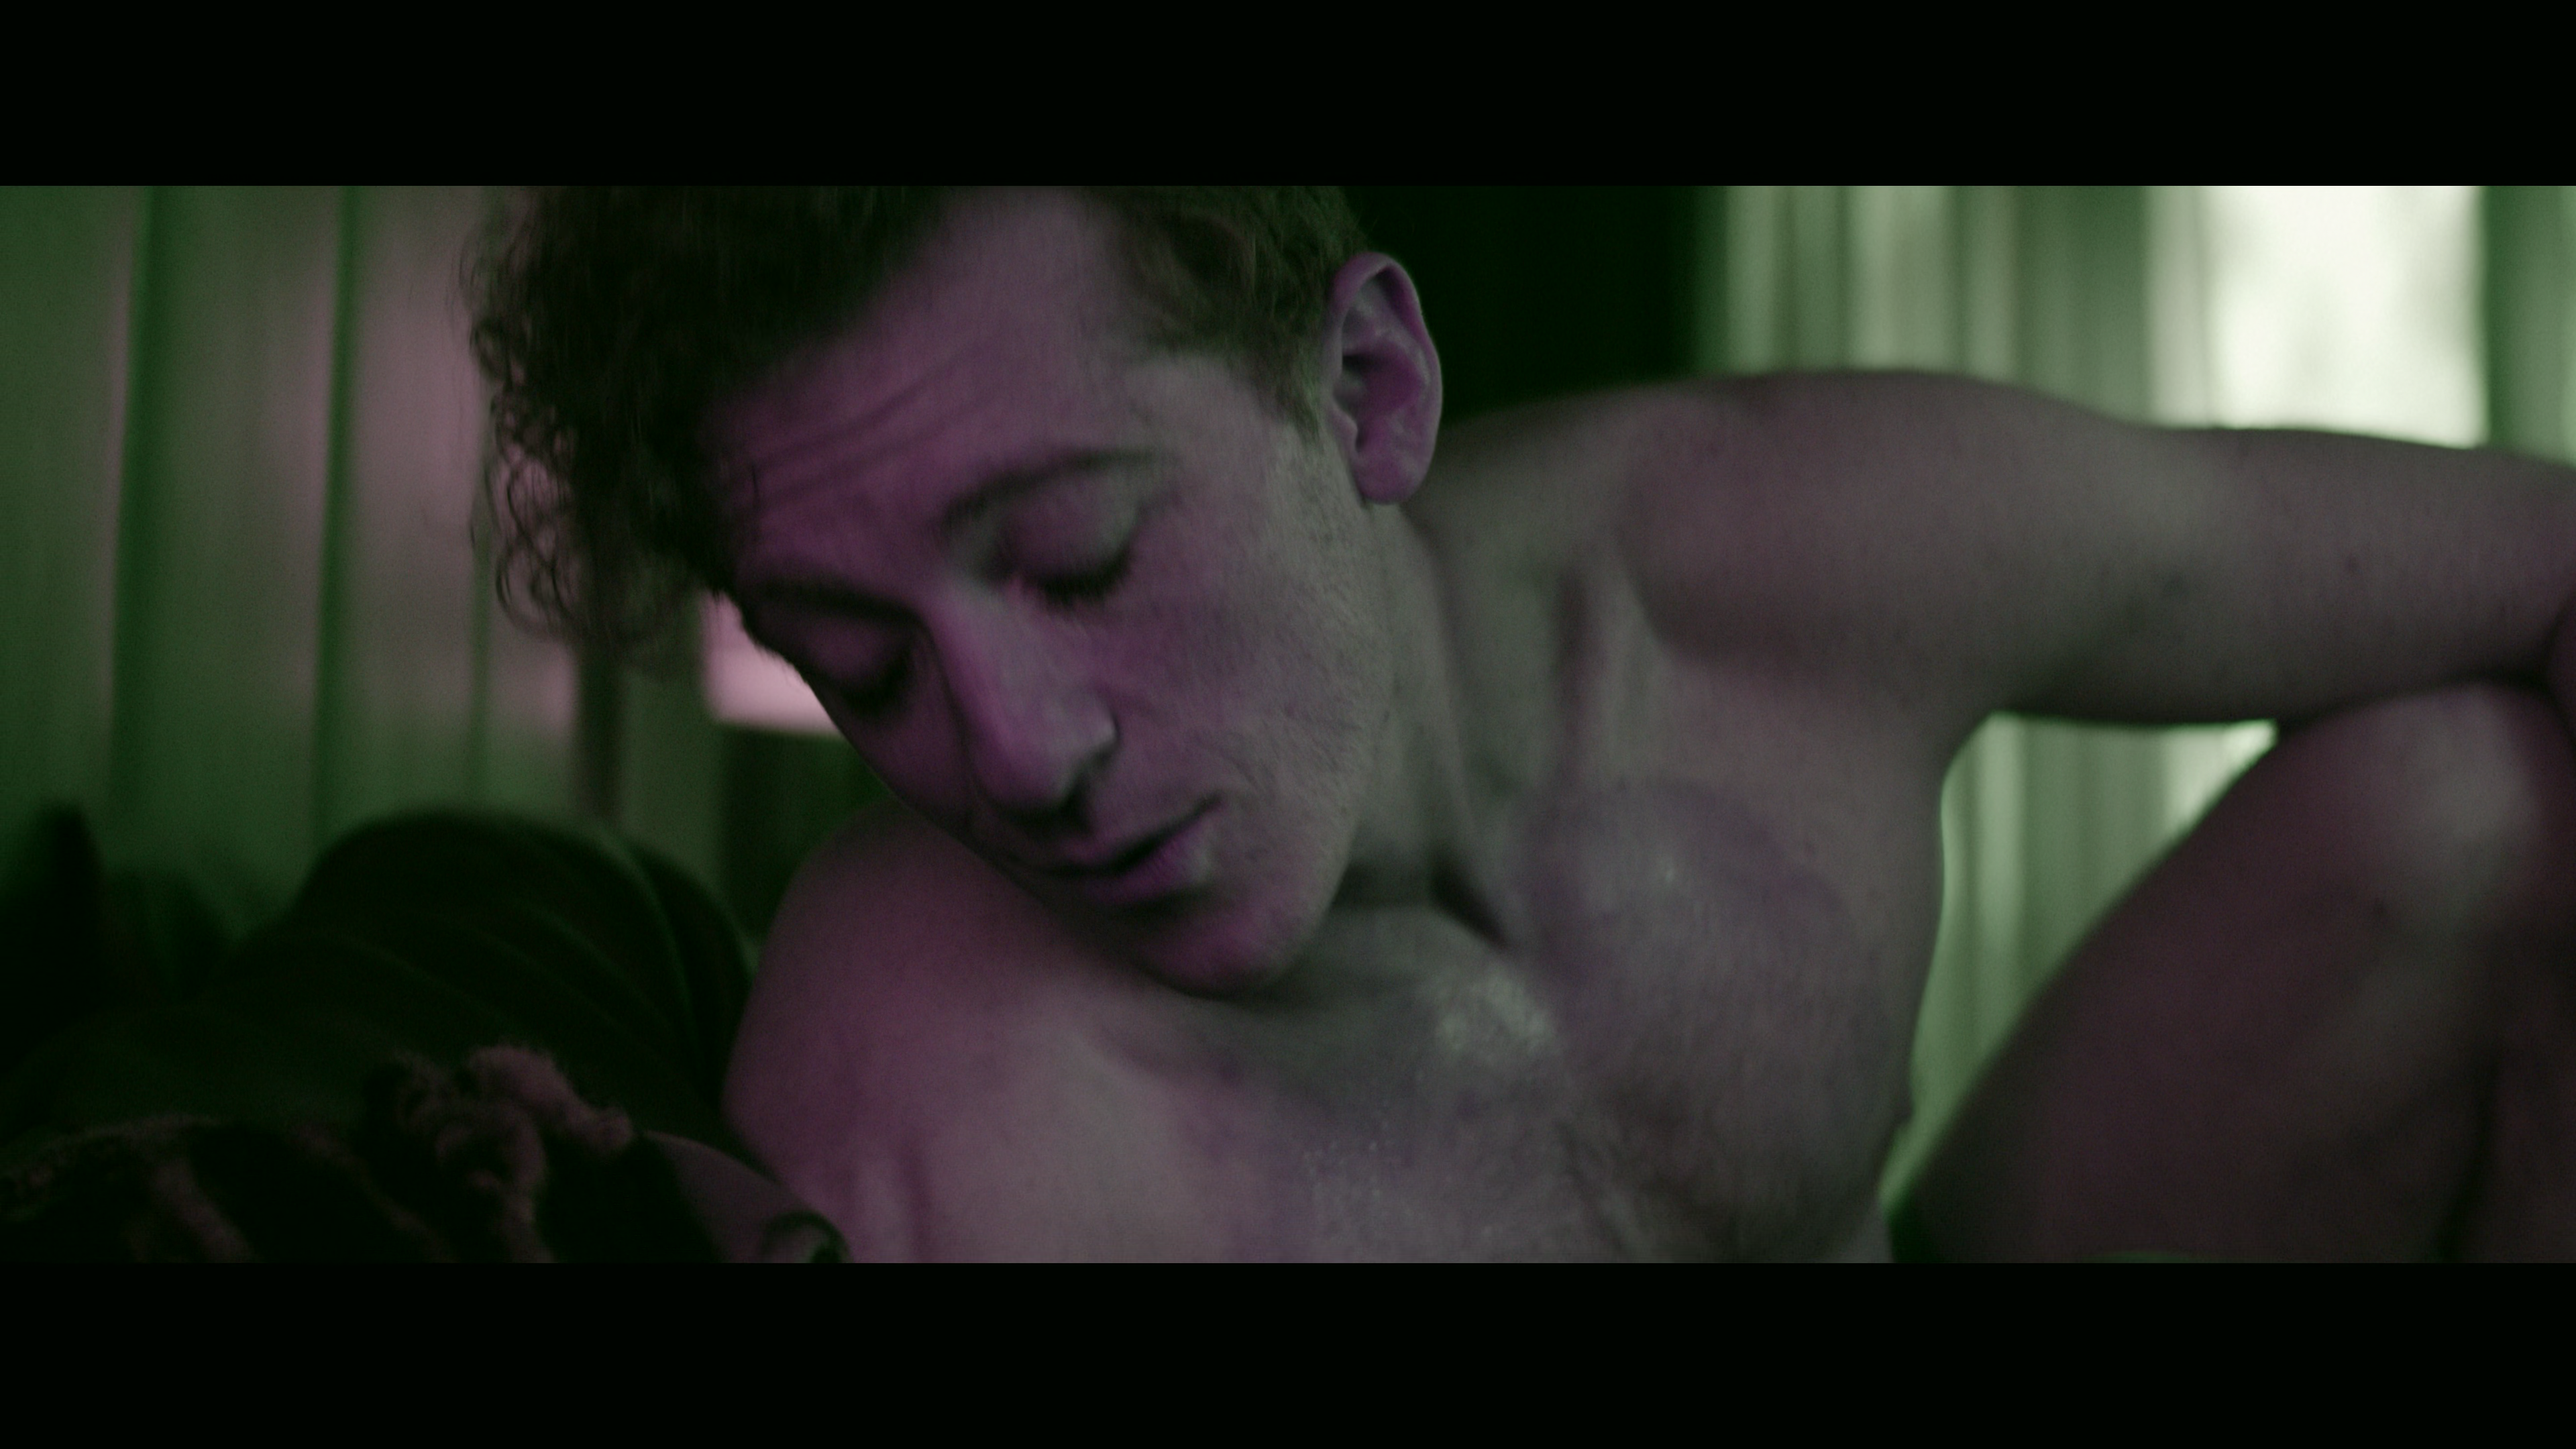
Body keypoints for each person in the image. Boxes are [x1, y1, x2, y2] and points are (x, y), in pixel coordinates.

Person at [473, 186, 2576, 1260]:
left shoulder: (1763, 550)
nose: (1016, 758)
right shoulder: (951, 1102)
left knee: (2470, 805)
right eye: (864, 666)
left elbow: (2541, 553)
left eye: (1080, 557)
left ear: (1364, 392)